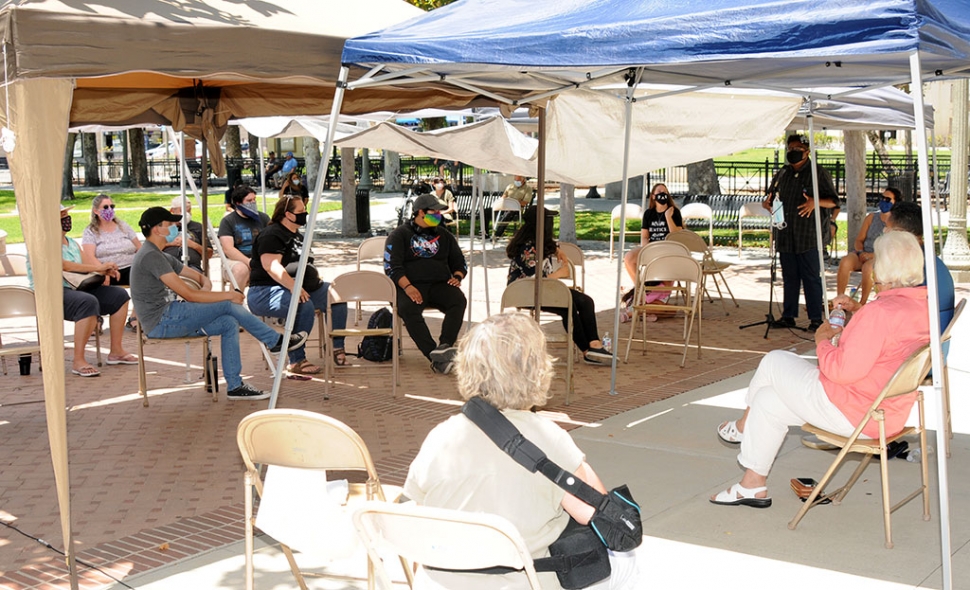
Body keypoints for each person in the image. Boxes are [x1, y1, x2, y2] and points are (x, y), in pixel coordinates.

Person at [404, 312, 641, 589]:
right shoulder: (549, 438)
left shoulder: (440, 437)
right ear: (537, 369)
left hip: (441, 582)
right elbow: (607, 522)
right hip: (523, 582)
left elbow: (415, 519)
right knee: (629, 559)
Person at [712, 231, 930, 507]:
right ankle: (751, 486)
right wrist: (859, 312)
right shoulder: (922, 306)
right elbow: (886, 342)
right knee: (767, 401)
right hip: (886, 412)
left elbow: (841, 371)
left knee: (773, 361)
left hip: (853, 410)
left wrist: (822, 341)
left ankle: (742, 426)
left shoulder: (881, 313)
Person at [130, 207, 308, 401]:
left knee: (228, 323)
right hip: (161, 321)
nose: (176, 227)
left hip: (171, 316)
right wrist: (228, 295)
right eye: (170, 224)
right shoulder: (151, 256)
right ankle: (275, 341)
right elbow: (189, 294)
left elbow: (197, 277)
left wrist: (205, 285)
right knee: (228, 305)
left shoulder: (161, 255)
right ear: (157, 229)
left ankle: (235, 386)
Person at [30, 205, 136, 377]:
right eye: (62, 215)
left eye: (66, 214)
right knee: (87, 301)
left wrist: (104, 270)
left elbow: (88, 263)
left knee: (119, 296)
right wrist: (98, 267)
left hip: (77, 287)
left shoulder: (71, 242)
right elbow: (64, 265)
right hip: (51, 293)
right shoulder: (42, 242)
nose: (66, 219)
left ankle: (116, 350)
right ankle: (78, 360)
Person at [247, 196, 348, 374]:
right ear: (288, 214)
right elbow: (271, 266)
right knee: (302, 304)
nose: (305, 214)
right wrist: (294, 287)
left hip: (302, 288)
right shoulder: (272, 234)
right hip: (266, 291)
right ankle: (297, 360)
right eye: (300, 212)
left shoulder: (298, 236)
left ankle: (337, 346)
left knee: (337, 296)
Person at [507, 206, 613, 366]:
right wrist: (560, 273)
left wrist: (557, 250)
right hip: (526, 292)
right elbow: (534, 278)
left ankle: (594, 344)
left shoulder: (539, 241)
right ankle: (587, 351)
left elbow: (548, 249)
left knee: (585, 301)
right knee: (568, 307)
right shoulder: (527, 247)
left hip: (542, 290)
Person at [763, 134, 840, 332]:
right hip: (786, 233)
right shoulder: (784, 173)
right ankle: (788, 316)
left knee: (811, 278)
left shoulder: (817, 173)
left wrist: (815, 202)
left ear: (807, 151)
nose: (792, 153)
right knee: (790, 277)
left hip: (809, 235)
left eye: (797, 149)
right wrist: (768, 203)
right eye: (790, 149)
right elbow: (771, 195)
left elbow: (834, 202)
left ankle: (816, 319)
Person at [384, 193, 467, 374]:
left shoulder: (444, 235)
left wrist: (458, 276)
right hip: (408, 285)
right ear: (420, 212)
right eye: (434, 211)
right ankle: (434, 355)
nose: (438, 215)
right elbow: (392, 267)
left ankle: (445, 345)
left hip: (438, 284)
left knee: (458, 300)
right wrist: (408, 287)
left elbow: (459, 262)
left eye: (439, 212)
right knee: (408, 308)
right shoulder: (399, 235)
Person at [835, 187, 899, 304]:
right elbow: (859, 239)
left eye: (887, 199)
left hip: (881, 257)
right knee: (845, 261)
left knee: (868, 268)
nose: (883, 201)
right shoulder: (871, 217)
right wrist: (860, 252)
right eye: (882, 198)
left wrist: (873, 255)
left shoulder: (897, 222)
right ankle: (840, 299)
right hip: (863, 253)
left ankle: (862, 303)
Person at [623, 183, 684, 283]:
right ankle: (639, 287)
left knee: (665, 281)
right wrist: (646, 249)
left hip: (669, 249)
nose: (662, 194)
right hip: (652, 248)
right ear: (653, 196)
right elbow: (644, 236)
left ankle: (660, 292)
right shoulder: (648, 213)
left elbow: (677, 235)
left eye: (665, 192)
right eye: (659, 192)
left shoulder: (674, 212)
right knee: (629, 257)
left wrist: (668, 217)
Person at [81, 193, 141, 287]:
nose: (109, 209)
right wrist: (104, 271)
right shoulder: (90, 231)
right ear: (96, 211)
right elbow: (89, 257)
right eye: (105, 207)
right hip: (109, 272)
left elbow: (139, 247)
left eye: (112, 206)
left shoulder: (123, 226)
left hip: (132, 267)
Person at [219, 185, 269, 289]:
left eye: (254, 199)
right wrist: (249, 263)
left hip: (261, 258)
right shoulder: (228, 221)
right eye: (249, 200)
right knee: (241, 270)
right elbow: (228, 249)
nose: (253, 203)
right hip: (236, 260)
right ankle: (233, 302)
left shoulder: (263, 218)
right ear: (238, 203)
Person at [163, 197, 210, 272]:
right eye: (182, 210)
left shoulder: (197, 227)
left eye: (189, 210)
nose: (186, 214)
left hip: (192, 267)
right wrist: (171, 244)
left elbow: (209, 253)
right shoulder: (163, 227)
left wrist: (193, 245)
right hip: (167, 267)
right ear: (172, 211)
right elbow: (152, 248)